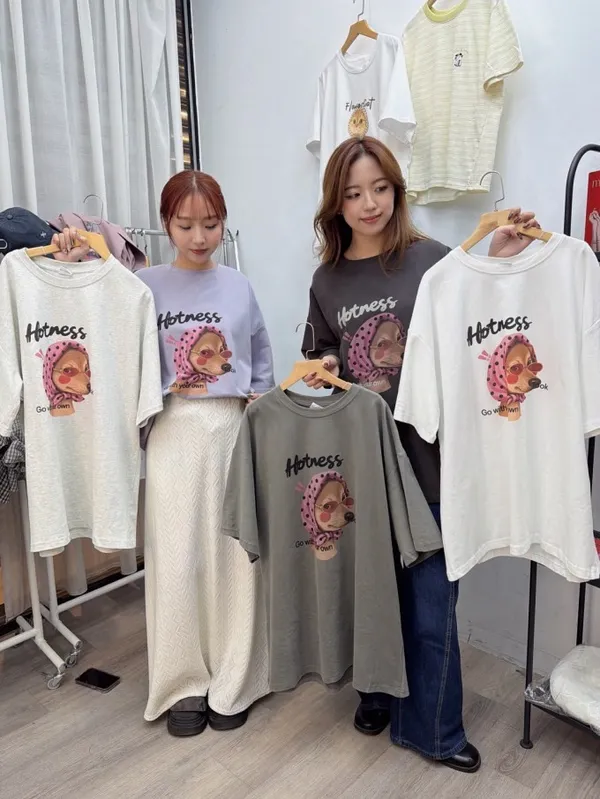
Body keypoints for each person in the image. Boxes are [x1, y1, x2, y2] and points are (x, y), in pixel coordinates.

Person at [302, 136, 540, 773]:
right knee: (372, 598)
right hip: (362, 465)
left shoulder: (433, 259)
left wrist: (496, 257)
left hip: (431, 461)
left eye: (380, 188)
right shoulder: (327, 280)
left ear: (397, 190)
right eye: (354, 193)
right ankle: (376, 694)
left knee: (433, 606)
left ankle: (436, 730)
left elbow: (476, 319)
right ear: (336, 203)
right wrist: (326, 366)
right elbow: (321, 351)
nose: (369, 203)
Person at [137, 170, 274, 736]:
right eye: (185, 224)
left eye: (211, 224)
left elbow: (260, 361)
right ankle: (182, 683)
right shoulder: (143, 285)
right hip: (172, 429)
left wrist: (261, 407)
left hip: (232, 428)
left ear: (223, 224)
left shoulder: (239, 287)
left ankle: (236, 677)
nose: (199, 237)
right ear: (166, 224)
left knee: (235, 555)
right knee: (176, 559)